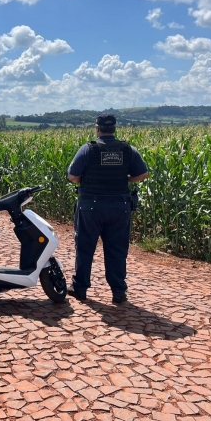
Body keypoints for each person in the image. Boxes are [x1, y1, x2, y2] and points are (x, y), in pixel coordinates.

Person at [67, 113, 148, 304]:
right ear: (114, 128)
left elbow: (72, 176)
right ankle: (118, 291)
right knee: (117, 250)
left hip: (91, 206)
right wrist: (125, 179)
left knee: (85, 248)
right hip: (120, 206)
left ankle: (80, 288)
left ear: (97, 128)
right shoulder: (128, 149)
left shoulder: (88, 149)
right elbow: (143, 174)